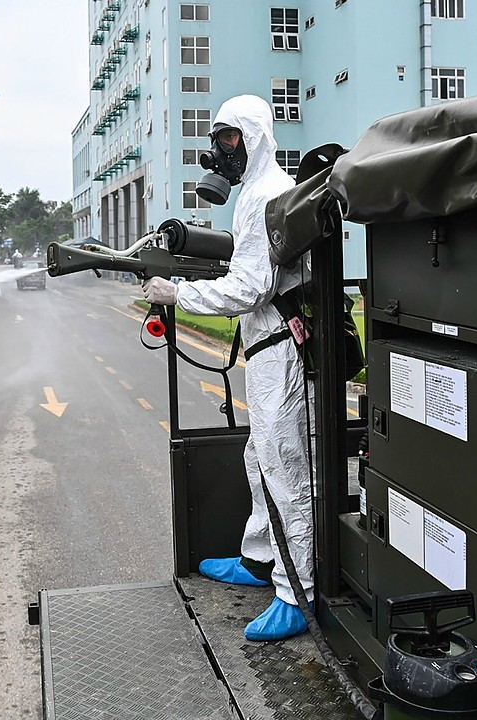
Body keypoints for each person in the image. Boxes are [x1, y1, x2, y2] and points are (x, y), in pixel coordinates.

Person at [142, 94, 314, 642]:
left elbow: (250, 287)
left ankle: (297, 591)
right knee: (258, 456)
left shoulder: (267, 194)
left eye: (231, 138)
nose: (221, 149)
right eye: (218, 138)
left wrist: (178, 293)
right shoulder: (253, 196)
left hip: (283, 351)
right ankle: (261, 560)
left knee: (286, 468)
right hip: (266, 348)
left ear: (255, 137)